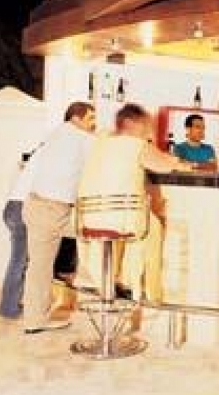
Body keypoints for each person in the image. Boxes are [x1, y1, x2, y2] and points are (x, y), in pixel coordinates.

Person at [77, 103, 192, 303]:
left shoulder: (99, 143)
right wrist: (180, 163)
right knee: (153, 227)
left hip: (86, 219)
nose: (148, 131)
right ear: (130, 123)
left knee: (136, 225)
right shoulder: (136, 144)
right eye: (145, 125)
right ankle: (146, 292)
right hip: (120, 218)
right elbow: (163, 165)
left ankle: (114, 283)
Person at [22, 101, 95, 334]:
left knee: (39, 266)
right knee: (41, 267)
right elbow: (103, 154)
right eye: (90, 118)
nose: (93, 124)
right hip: (51, 208)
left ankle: (35, 316)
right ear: (76, 118)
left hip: (38, 204)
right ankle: (35, 321)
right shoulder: (80, 138)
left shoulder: (56, 134)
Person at [0, 151, 40, 319]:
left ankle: (11, 303)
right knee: (19, 261)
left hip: (12, 208)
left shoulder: (32, 164)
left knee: (20, 260)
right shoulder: (44, 162)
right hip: (22, 209)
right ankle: (8, 308)